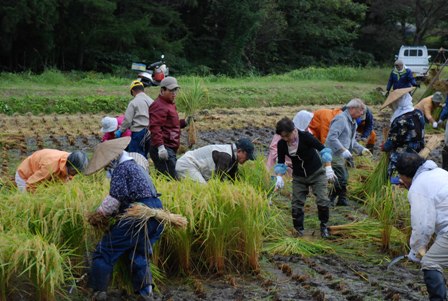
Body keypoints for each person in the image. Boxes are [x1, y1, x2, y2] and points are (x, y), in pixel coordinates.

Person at [85, 137, 163, 301]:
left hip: (138, 214)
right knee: (138, 253)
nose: (107, 165)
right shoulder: (135, 167)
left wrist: (99, 214)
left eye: (107, 162)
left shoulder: (122, 169)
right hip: (155, 212)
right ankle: (146, 293)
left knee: (105, 250)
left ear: (114, 157)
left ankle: (98, 292)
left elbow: (115, 199)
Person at [396, 152, 448, 301]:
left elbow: (423, 227)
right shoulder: (440, 172)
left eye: (401, 176)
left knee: (430, 262)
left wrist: (416, 251)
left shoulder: (419, 187)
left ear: (406, 175)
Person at [274, 117, 336, 238]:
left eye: (287, 135)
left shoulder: (305, 137)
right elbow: (281, 163)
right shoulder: (282, 144)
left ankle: (324, 226)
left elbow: (323, 150)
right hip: (298, 177)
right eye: (283, 136)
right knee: (296, 204)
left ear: (293, 130)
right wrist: (279, 177)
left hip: (316, 173)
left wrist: (328, 167)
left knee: (322, 200)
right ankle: (299, 230)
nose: (286, 139)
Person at [325, 99, 372, 206]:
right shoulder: (341, 119)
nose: (361, 114)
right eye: (360, 111)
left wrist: (362, 149)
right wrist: (343, 150)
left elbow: (351, 141)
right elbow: (331, 138)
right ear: (351, 109)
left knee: (344, 177)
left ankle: (341, 199)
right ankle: (329, 198)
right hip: (334, 154)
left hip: (343, 155)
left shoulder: (353, 122)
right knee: (342, 178)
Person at [149, 76, 189, 179]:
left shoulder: (170, 105)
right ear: (162, 90)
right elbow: (155, 127)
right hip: (164, 147)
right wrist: (160, 147)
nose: (174, 93)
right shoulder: (158, 105)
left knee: (167, 178)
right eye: (171, 90)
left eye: (175, 90)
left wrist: (185, 122)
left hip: (170, 147)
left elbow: (172, 125)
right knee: (172, 179)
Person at [381, 90, 425, 179]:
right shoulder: (418, 113)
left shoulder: (400, 120)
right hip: (419, 150)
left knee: (396, 176)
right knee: (414, 174)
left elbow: (393, 141)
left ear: (398, 102)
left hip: (404, 154)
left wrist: (384, 147)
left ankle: (393, 188)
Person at [175, 138, 255, 183]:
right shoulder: (226, 156)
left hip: (196, 167)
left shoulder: (233, 159)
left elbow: (234, 179)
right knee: (203, 189)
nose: (247, 159)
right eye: (247, 156)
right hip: (188, 164)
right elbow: (219, 180)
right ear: (239, 151)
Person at [15, 149, 88, 192]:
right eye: (75, 171)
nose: (76, 174)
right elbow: (30, 184)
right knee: (28, 200)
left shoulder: (72, 160)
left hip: (43, 174)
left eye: (79, 172)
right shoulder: (50, 167)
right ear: (69, 166)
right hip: (26, 176)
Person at [266, 110, 314, 175]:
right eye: (309, 121)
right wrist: (280, 159)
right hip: (281, 163)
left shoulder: (308, 132)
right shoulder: (286, 129)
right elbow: (273, 147)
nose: (310, 123)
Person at [115, 80, 153, 158]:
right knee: (145, 155)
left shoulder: (133, 102)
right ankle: (144, 169)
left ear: (133, 91)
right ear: (143, 89)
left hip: (139, 132)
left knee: (135, 155)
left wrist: (120, 130)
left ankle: (137, 169)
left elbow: (128, 120)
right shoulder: (151, 101)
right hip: (150, 132)